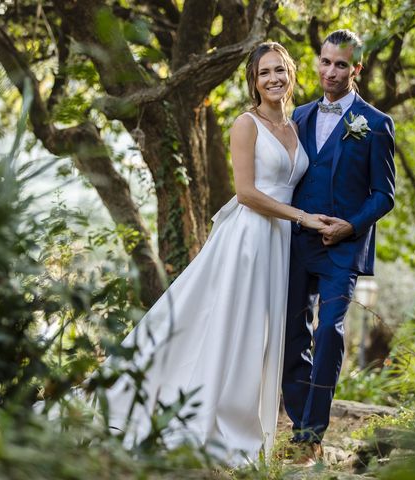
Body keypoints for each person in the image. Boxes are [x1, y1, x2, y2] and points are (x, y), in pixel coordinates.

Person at [102, 42, 324, 464]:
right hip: (250, 238)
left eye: (280, 70)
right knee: (230, 326)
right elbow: (245, 192)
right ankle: (209, 419)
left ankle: (243, 421)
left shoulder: (297, 125)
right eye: (264, 73)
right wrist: (302, 217)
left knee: (261, 336)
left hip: (281, 244)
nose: (273, 78)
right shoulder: (246, 124)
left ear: (291, 73)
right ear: (253, 81)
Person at [282, 29, 396, 463]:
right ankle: (299, 427)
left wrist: (350, 227)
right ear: (318, 62)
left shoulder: (377, 124)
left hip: (341, 251)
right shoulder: (300, 117)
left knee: (328, 331)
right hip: (296, 245)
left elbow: (383, 195)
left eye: (341, 65)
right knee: (293, 335)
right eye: (326, 62)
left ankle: (311, 436)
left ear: (357, 69)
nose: (331, 72)